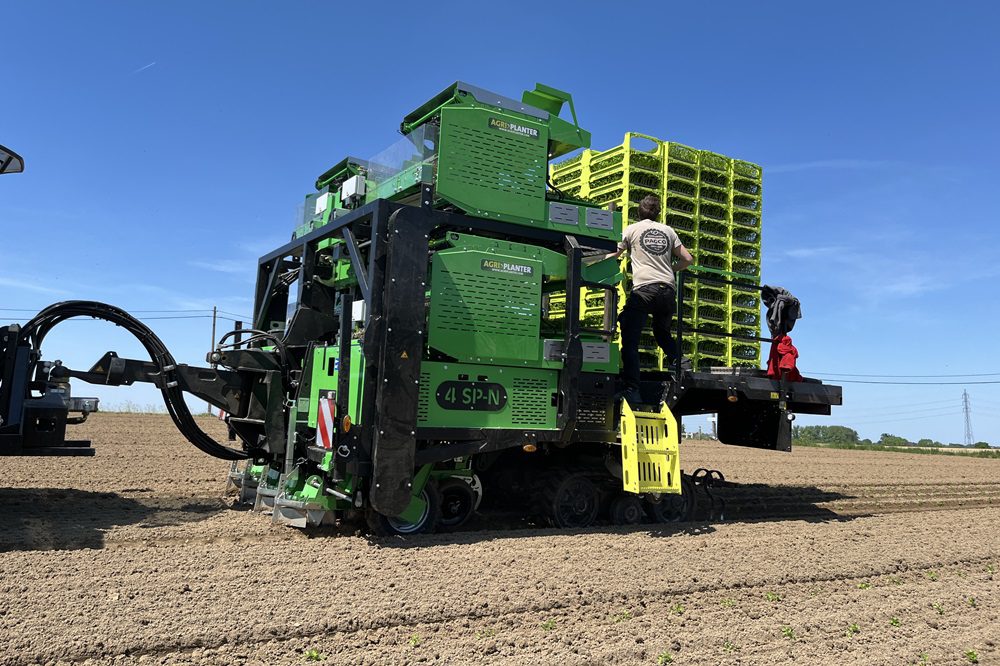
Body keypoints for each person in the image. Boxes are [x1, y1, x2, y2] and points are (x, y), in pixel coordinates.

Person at [607, 195, 693, 403]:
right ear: (658, 213)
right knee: (662, 332)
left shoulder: (631, 230)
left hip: (644, 291)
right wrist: (669, 270)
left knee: (630, 339)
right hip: (667, 291)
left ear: (639, 211)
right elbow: (688, 259)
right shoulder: (668, 231)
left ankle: (632, 389)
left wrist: (588, 261)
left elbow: (615, 254)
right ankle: (681, 361)